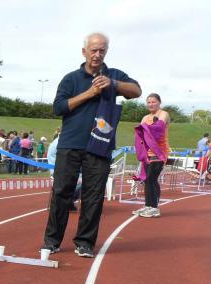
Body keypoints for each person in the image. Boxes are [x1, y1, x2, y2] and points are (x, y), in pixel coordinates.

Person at [41, 32, 141, 258]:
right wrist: (89, 93)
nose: (97, 54)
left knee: (93, 196)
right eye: (93, 50)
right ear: (84, 51)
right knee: (61, 193)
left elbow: (136, 91)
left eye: (102, 50)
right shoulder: (71, 79)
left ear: (106, 52)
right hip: (70, 144)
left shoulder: (114, 74)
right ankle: (52, 241)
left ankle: (85, 243)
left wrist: (113, 84)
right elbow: (58, 108)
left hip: (100, 145)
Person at [133, 93, 171, 217]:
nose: (151, 104)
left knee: (151, 178)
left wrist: (145, 129)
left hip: (159, 152)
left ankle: (154, 208)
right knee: (147, 179)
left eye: (153, 102)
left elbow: (158, 128)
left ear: (159, 102)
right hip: (147, 153)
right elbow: (140, 134)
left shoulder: (163, 114)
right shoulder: (145, 117)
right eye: (149, 102)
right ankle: (148, 206)